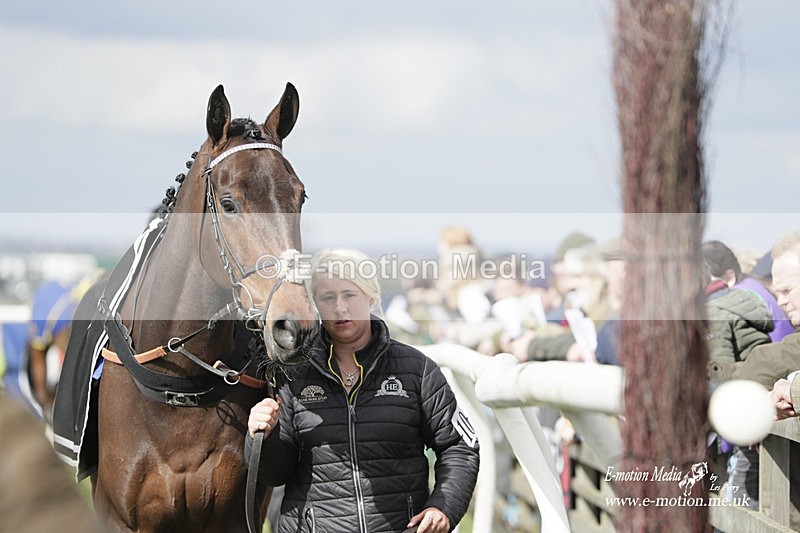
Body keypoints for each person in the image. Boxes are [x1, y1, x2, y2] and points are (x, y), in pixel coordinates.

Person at [245, 248, 480, 533]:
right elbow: (275, 474)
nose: (340, 308)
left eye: (349, 295)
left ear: (371, 297)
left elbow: (459, 446)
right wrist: (261, 435)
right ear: (315, 303)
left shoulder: (417, 369)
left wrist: (443, 506)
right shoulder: (291, 376)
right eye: (328, 298)